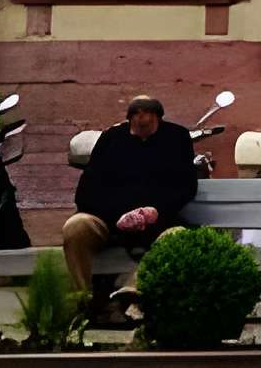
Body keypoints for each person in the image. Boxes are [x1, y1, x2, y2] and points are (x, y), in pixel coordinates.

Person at [63, 94, 196, 312]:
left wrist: (155, 211)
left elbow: (185, 186)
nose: (143, 128)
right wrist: (119, 216)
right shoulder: (111, 139)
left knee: (178, 237)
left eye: (149, 123)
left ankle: (131, 291)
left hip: (159, 222)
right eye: (137, 123)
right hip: (110, 221)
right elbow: (86, 192)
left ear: (158, 119)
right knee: (76, 226)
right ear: (130, 119)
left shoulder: (177, 137)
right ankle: (83, 299)